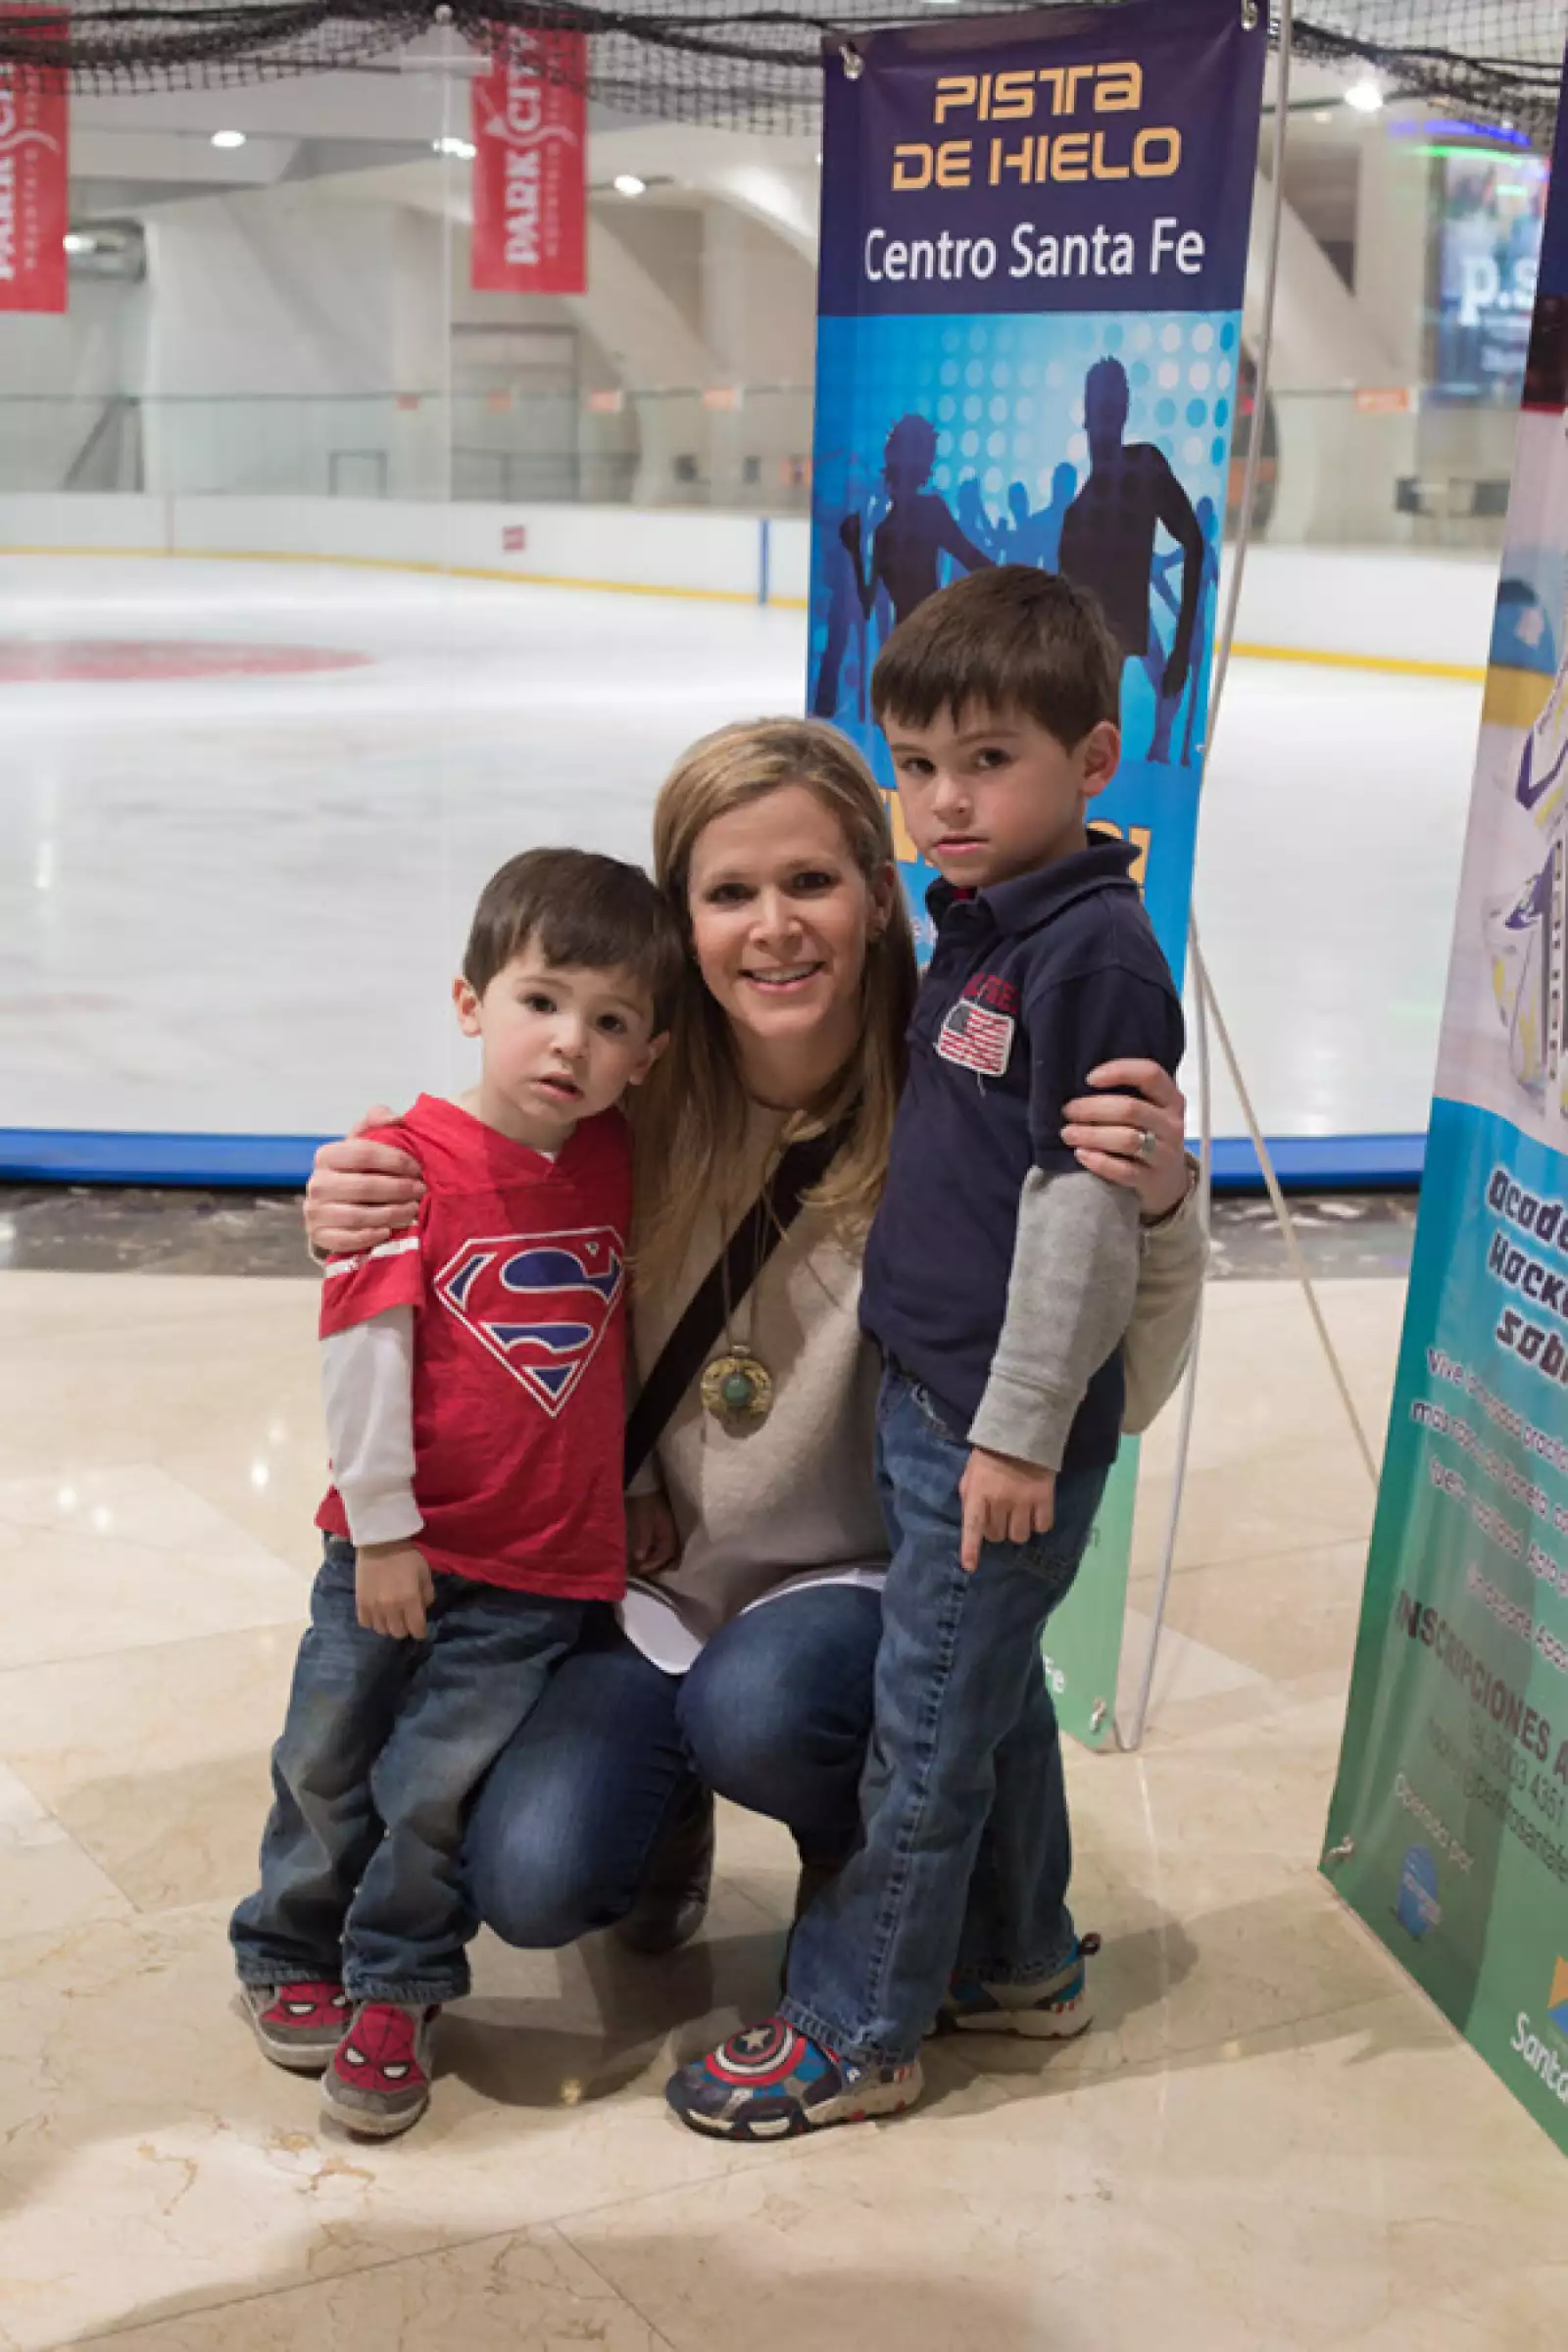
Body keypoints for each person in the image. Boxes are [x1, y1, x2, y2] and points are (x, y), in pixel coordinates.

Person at [302, 722, 1203, 2034]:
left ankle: (859, 1834)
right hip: (657, 1586)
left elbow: (1123, 1365)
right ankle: (660, 1814)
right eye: (729, 894)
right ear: (682, 925)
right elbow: (470, 1174)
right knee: (535, 1878)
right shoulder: (628, 1097)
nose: (773, 928)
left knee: (766, 1706)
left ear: (878, 896)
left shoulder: (965, 1094)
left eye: (812, 883)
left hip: (853, 1589)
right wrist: (352, 1190)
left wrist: (1165, 1203)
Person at [667, 570, 1183, 2139]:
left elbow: (1086, 1215)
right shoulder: (987, 927)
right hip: (941, 1402)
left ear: (1095, 758)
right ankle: (1024, 1962)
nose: (946, 801)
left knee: (928, 1732)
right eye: (918, 767)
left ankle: (860, 2022)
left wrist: (1019, 1430)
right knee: (982, 1688)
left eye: (989, 761)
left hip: (989, 1424)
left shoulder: (1087, 954)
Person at [232, 849, 681, 2138]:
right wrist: (384, 1531)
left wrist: (634, 1478)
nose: (568, 1046)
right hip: (392, 1550)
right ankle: (285, 1941)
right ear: (469, 998)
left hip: (543, 1567)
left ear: (646, 1055)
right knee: (330, 1757)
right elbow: (363, 1355)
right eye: (541, 1002)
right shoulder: (402, 1161)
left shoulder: (618, 1168)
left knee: (435, 1783)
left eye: (609, 1024)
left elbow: (620, 1353)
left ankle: (398, 1983)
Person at [1058, 357, 1206, 754]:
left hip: (1116, 643)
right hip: (1080, 661)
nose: (1105, 418)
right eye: (1098, 407)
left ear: (1124, 410)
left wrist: (1181, 647)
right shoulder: (1075, 515)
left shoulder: (1143, 466)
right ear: (1086, 415)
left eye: (1113, 406)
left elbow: (1194, 541)